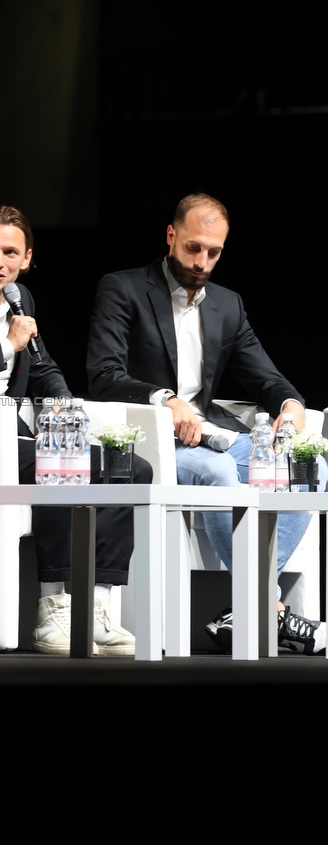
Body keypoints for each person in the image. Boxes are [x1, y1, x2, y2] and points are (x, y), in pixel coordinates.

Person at [0, 203, 153, 657]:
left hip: (15, 434)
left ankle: (95, 606)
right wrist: (6, 345)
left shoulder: (22, 299)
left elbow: (41, 366)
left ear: (27, 258)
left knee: (129, 469)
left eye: (10, 253)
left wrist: (60, 404)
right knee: (59, 465)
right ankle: (53, 612)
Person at [87, 192, 327, 655]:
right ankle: (266, 608)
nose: (201, 261)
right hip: (153, 437)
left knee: (310, 467)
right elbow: (103, 375)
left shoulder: (227, 304)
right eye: (193, 248)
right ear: (171, 236)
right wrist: (165, 400)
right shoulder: (123, 288)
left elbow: (266, 377)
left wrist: (292, 404)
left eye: (213, 252)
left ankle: (250, 608)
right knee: (218, 476)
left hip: (213, 433)